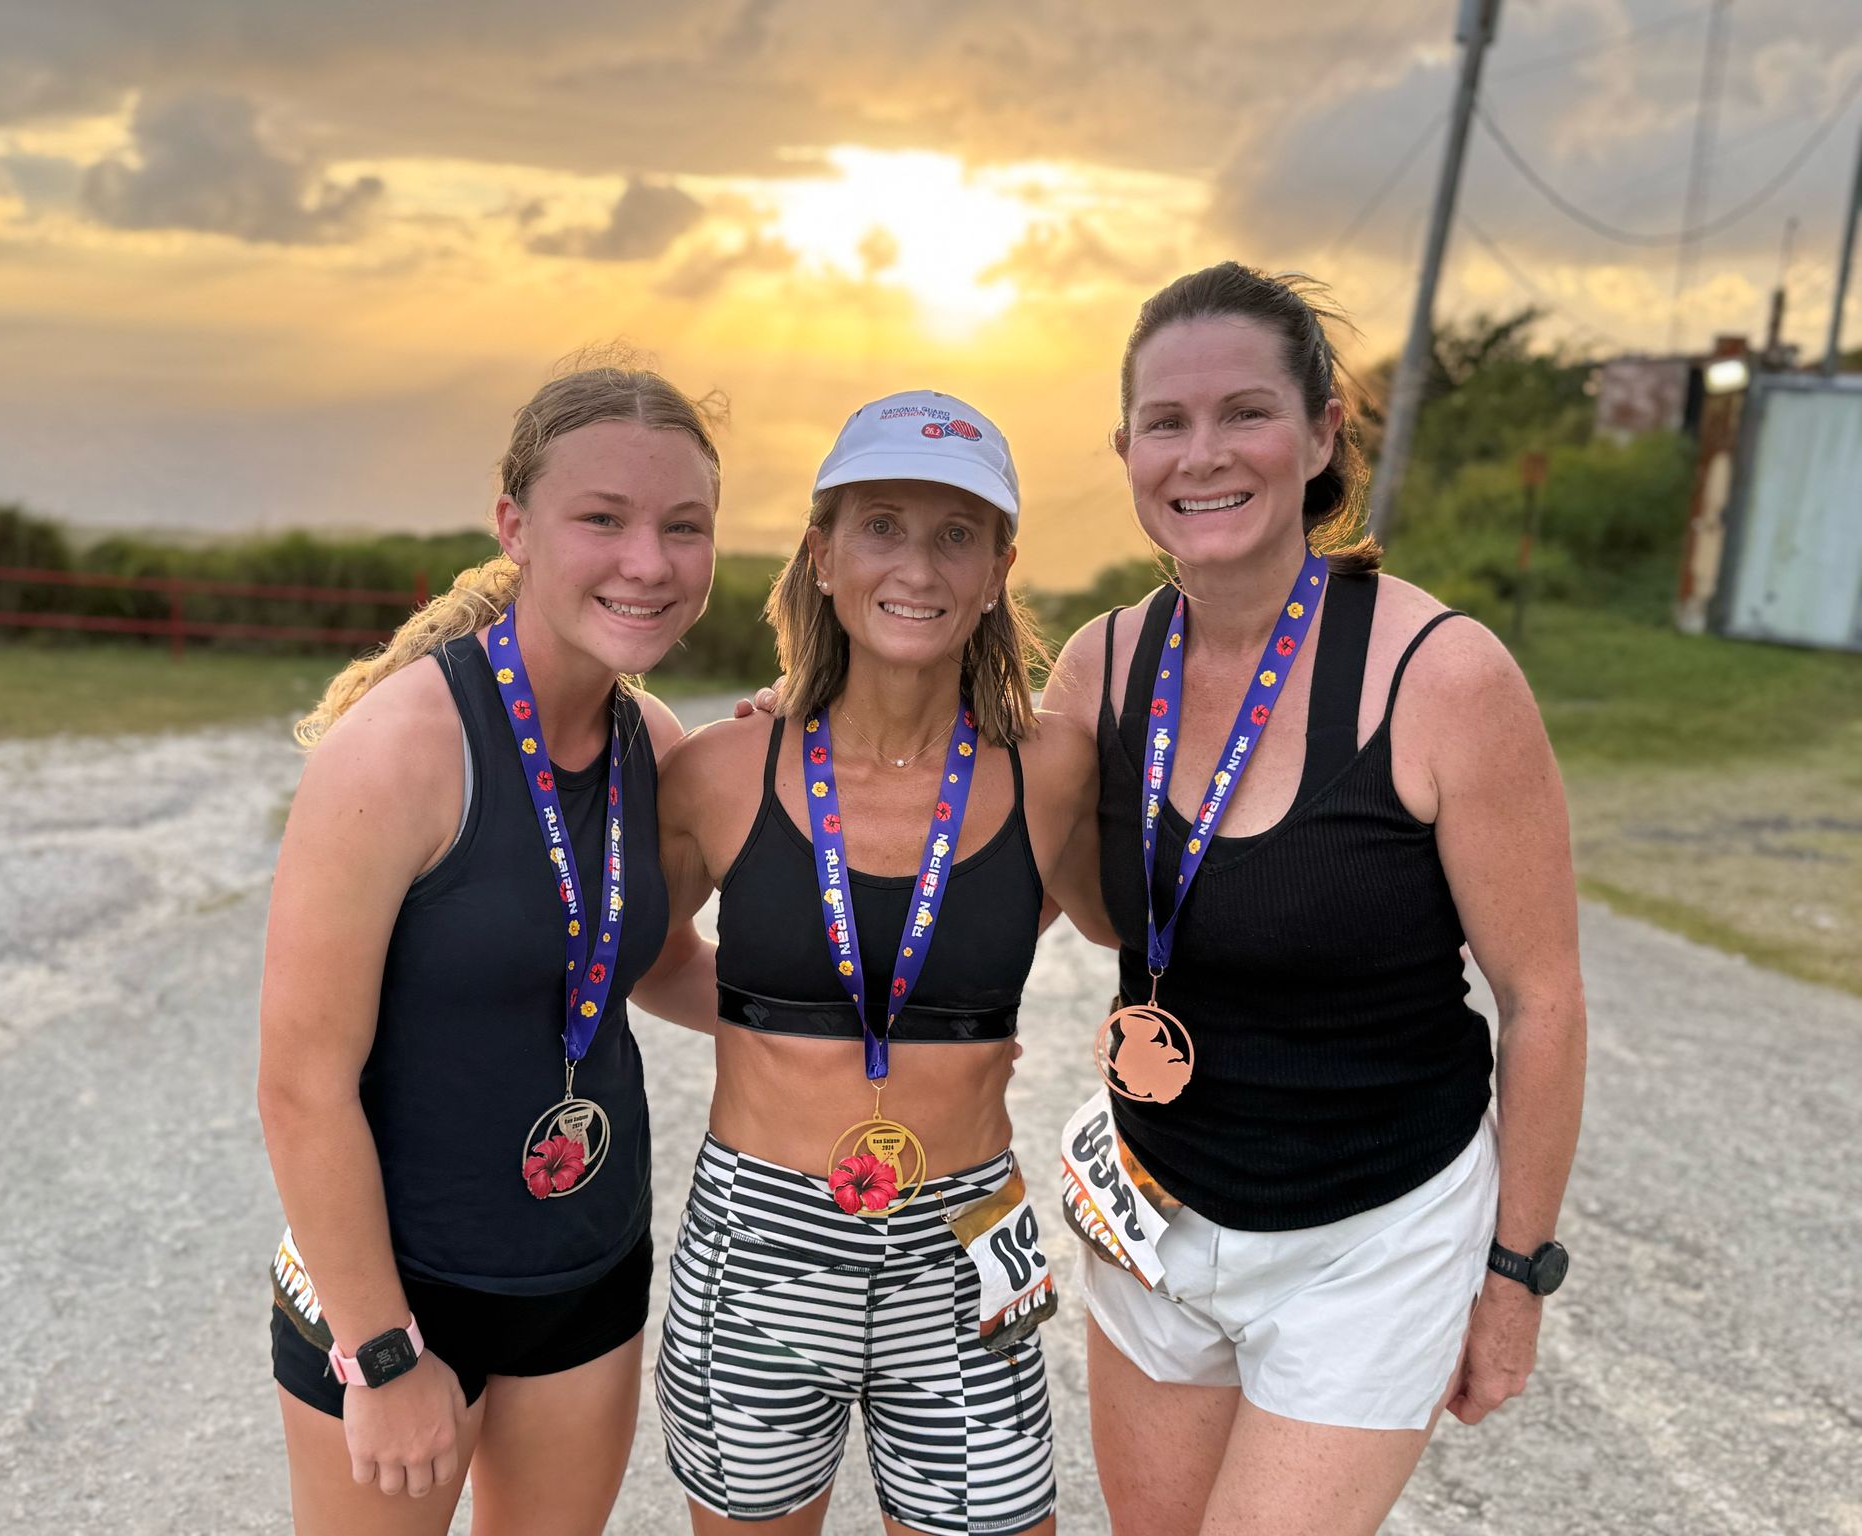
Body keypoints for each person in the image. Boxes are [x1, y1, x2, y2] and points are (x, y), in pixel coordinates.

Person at [1039, 264, 1587, 1536]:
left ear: (1323, 432)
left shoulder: (1440, 675)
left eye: (1245, 413)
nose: (1202, 454)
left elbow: (1542, 998)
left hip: (1370, 1236)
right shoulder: (1101, 665)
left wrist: (1513, 1280)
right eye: (1164, 424)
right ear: (1126, 450)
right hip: (1155, 1216)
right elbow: (1097, 914)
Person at [257, 362, 728, 1536]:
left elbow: (639, 955)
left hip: (585, 1269)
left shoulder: (646, 735)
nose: (649, 561)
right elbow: (299, 1081)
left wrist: (825, 1020)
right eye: (603, 520)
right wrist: (378, 1353)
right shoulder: (398, 753)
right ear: (514, 525)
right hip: (399, 1293)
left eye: (684, 527)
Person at [652, 391, 1095, 1536]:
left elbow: (1113, 921)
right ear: (823, 553)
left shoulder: (1050, 772)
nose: (919, 564)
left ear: (998, 567)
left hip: (965, 1237)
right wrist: (776, 1029)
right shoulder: (720, 769)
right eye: (881, 526)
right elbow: (641, 956)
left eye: (957, 534)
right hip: (759, 1243)